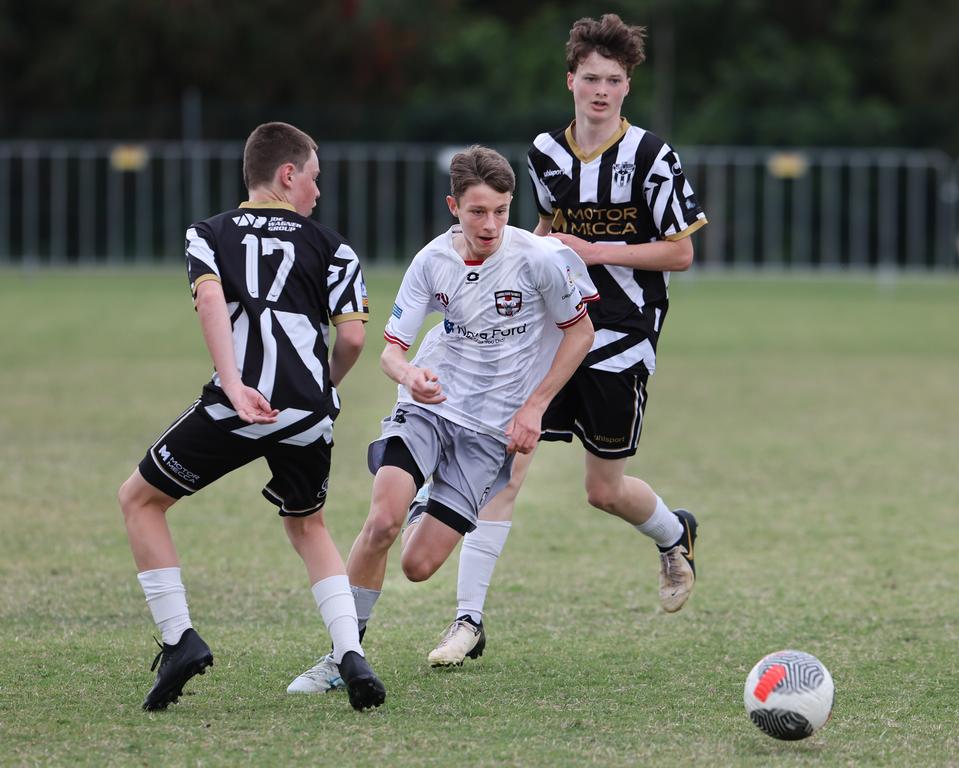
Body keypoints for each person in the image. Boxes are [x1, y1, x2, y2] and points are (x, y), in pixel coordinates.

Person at [424, 13, 709, 667]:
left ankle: (674, 533)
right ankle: (467, 623)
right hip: (553, 331)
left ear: (627, 86)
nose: (600, 91)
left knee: (603, 490)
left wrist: (595, 249)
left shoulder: (651, 156)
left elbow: (682, 253)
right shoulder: (545, 154)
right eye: (590, 79)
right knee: (505, 464)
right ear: (571, 81)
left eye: (613, 80)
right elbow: (544, 240)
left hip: (624, 334)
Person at [286, 145, 595, 692]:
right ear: (453, 205)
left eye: (501, 210)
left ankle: (426, 504)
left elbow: (581, 333)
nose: (491, 224)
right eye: (478, 211)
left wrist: (535, 407)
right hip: (429, 407)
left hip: (489, 433)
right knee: (381, 522)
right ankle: (343, 655)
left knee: (418, 566)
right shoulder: (432, 261)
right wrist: (410, 378)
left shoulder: (540, 260)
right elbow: (390, 351)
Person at [117, 121, 386, 712]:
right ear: (287, 176)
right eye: (313, 178)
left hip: (241, 401)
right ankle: (350, 653)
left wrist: (236, 384)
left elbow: (211, 299)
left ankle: (179, 640)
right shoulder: (333, 245)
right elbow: (355, 339)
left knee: (140, 500)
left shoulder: (207, 232)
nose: (317, 192)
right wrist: (323, 389)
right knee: (309, 525)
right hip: (311, 409)